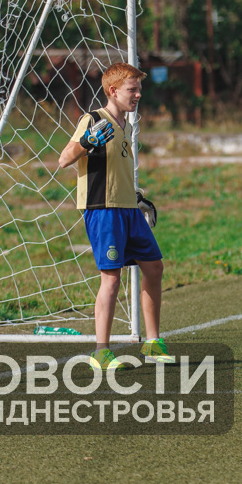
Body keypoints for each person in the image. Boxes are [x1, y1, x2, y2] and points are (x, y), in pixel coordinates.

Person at [58, 62, 173, 371]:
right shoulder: (93, 119)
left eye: (139, 89)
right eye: (132, 89)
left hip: (128, 209)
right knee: (111, 278)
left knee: (154, 267)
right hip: (103, 209)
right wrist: (86, 142)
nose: (138, 95)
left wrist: (134, 196)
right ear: (113, 91)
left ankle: (153, 342)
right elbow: (64, 159)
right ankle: (101, 352)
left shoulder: (127, 126)